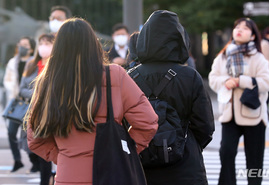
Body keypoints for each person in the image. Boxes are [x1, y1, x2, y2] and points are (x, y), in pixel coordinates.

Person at [26, 18, 158, 185]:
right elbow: (147, 121)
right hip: (110, 173)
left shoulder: (47, 81)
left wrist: (63, 156)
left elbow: (34, 137)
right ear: (93, 44)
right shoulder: (114, 75)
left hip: (68, 176)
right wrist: (122, 152)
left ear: (58, 48)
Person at [131, 10, 215, 185]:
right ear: (180, 41)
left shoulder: (130, 76)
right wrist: (184, 143)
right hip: (185, 166)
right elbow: (205, 126)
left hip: (141, 166)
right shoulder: (189, 76)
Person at [208, 18, 269, 185]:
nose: (239, 30)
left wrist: (240, 81)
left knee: (254, 159)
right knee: (226, 153)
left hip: (254, 114)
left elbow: (267, 83)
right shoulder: (223, 56)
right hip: (229, 114)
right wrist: (227, 81)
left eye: (245, 28)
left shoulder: (258, 58)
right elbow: (213, 79)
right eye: (237, 26)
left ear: (252, 36)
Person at [20, 33, 55, 185]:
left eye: (48, 43)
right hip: (30, 112)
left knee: (44, 149)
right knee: (31, 148)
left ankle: (45, 181)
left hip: (49, 113)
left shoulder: (57, 65)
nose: (44, 46)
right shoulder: (31, 64)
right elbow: (21, 89)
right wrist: (36, 94)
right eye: (41, 43)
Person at [3, 37, 39, 173]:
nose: (21, 47)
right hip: (15, 103)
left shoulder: (33, 63)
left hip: (29, 104)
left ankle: (34, 161)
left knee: (27, 135)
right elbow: (7, 81)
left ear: (31, 48)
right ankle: (17, 160)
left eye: (25, 45)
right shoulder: (13, 62)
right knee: (11, 132)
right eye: (20, 44)